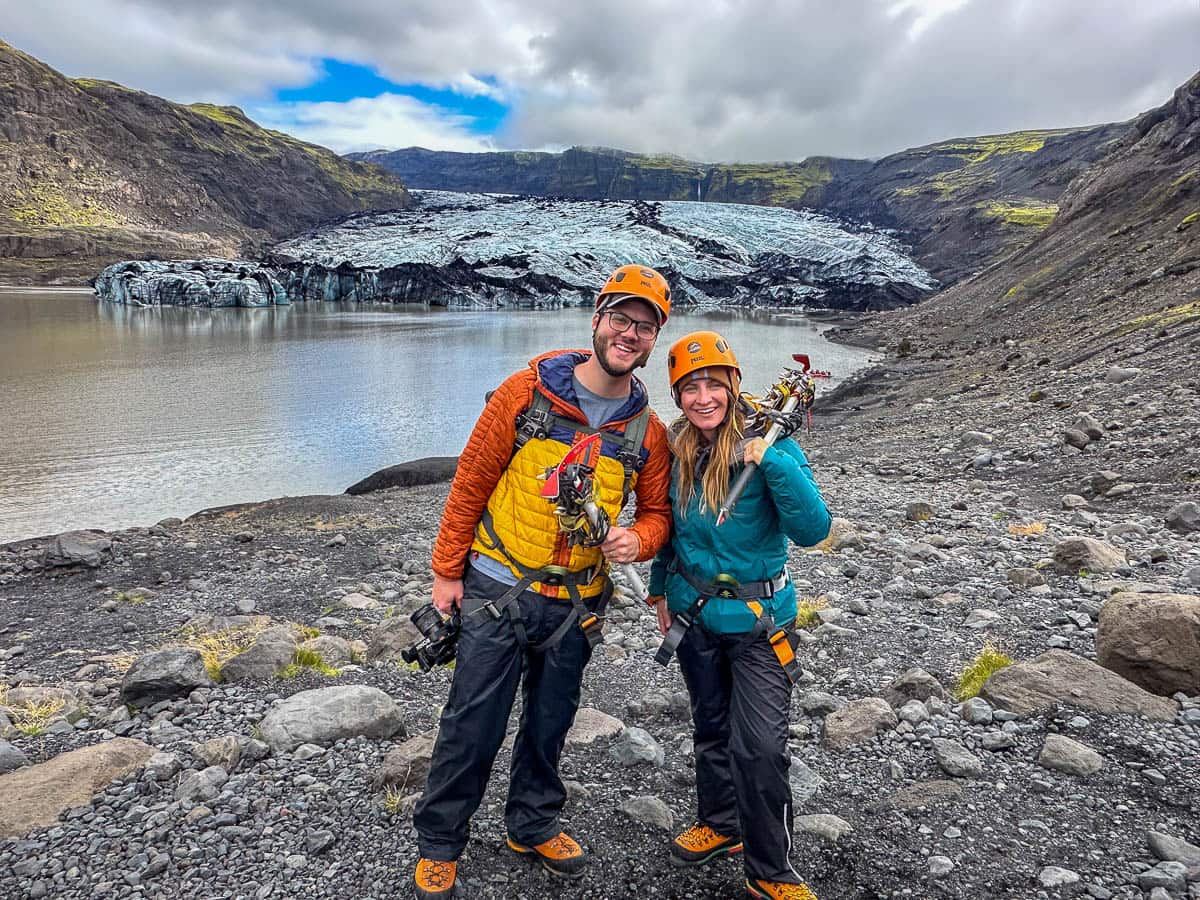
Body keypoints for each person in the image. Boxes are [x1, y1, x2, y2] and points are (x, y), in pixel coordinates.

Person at [412, 265, 675, 899]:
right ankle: (441, 840)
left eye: (645, 327)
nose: (629, 334)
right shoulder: (524, 394)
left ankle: (530, 824)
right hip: (495, 590)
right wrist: (447, 571)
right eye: (621, 319)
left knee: (551, 720)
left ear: (654, 338)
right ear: (597, 319)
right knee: (473, 720)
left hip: (576, 604)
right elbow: (471, 481)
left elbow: (659, 514)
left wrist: (636, 542)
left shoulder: (648, 432)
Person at [647, 331, 832, 900]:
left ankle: (770, 869)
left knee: (761, 748)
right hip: (695, 616)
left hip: (759, 624)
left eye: (713, 385)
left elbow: (813, 529)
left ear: (732, 385)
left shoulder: (770, 442)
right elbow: (671, 532)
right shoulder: (677, 449)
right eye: (689, 388)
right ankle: (721, 823)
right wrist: (660, 592)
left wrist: (772, 461)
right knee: (711, 730)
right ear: (677, 395)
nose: (703, 398)